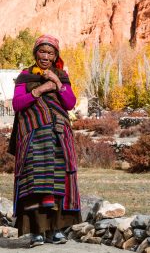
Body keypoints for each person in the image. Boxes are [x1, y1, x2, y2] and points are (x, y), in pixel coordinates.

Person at [9, 34, 81, 247]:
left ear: (55, 55)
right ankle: (36, 233)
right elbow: (17, 104)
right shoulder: (25, 76)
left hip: (58, 136)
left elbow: (69, 102)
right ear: (35, 53)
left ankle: (56, 230)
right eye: (42, 51)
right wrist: (40, 89)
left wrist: (57, 82)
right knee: (35, 182)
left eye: (50, 53)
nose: (46, 56)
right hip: (32, 137)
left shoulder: (61, 75)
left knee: (59, 180)